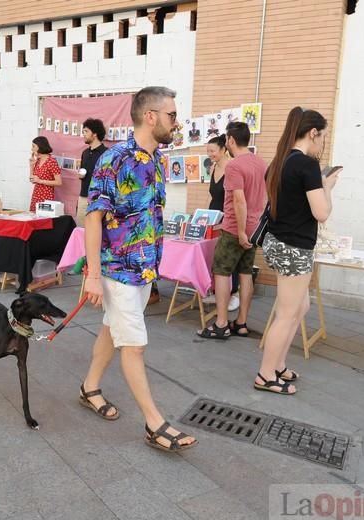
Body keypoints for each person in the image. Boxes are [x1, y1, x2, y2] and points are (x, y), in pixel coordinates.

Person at [81, 86, 197, 452]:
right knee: (134, 346)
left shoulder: (158, 159)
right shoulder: (114, 159)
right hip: (118, 272)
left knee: (110, 331)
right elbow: (93, 218)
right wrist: (95, 275)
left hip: (146, 270)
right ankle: (155, 423)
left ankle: (89, 387)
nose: (176, 122)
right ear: (150, 116)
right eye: (172, 115)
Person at [255, 107, 341, 395]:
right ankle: (266, 374)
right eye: (323, 137)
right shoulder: (306, 165)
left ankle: (277, 364)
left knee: (299, 307)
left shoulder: (279, 162)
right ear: (313, 133)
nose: (322, 143)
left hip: (279, 243)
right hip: (294, 247)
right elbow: (321, 213)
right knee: (287, 313)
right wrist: (327, 186)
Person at [197, 122, 266, 340]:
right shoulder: (261, 163)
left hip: (236, 228)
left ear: (231, 141)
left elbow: (239, 200)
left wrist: (242, 232)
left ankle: (221, 323)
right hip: (254, 228)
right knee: (246, 273)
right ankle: (242, 322)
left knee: (222, 272)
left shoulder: (234, 166)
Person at [201, 134, 240, 312]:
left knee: (229, 256)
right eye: (208, 151)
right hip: (213, 216)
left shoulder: (233, 168)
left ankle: (234, 293)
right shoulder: (213, 167)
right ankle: (218, 292)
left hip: (228, 216)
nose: (210, 154)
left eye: (213, 151)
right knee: (215, 256)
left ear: (224, 150)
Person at [77, 119, 107, 226]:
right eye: (83, 131)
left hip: (99, 199)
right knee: (80, 228)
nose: (83, 134)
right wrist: (80, 175)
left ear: (95, 134)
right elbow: (82, 172)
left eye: (86, 131)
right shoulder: (85, 153)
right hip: (83, 196)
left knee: (96, 230)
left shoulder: (106, 153)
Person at [28, 136, 62, 212]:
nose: (32, 149)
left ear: (40, 146)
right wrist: (31, 166)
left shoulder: (51, 161)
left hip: (46, 197)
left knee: (43, 221)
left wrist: (41, 181)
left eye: (33, 146)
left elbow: (59, 182)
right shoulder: (38, 160)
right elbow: (32, 180)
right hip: (36, 196)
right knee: (33, 219)